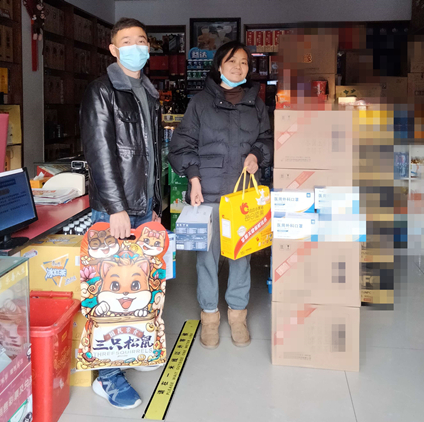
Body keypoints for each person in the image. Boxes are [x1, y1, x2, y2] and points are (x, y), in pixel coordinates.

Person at [80, 17, 162, 410]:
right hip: (117, 209)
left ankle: (131, 351)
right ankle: (108, 378)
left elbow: (152, 157)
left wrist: (156, 206)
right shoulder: (101, 91)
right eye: (126, 41)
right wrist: (115, 207)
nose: (135, 47)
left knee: (139, 287)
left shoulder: (149, 92)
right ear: (113, 50)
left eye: (141, 40)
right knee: (111, 293)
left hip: (144, 207)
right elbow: (99, 153)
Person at [168, 41, 273, 350]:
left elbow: (267, 139)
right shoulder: (200, 102)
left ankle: (238, 315)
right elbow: (182, 145)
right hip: (209, 193)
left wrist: (257, 154)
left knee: (241, 256)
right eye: (231, 61)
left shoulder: (256, 104)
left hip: (243, 195)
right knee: (207, 259)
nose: (238, 67)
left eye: (243, 62)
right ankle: (210, 316)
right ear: (219, 66)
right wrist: (193, 178)